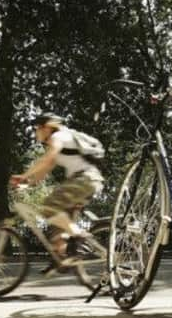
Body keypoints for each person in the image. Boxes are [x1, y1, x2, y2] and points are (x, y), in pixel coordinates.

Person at [10, 113, 104, 270]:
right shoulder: (61, 140)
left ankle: (81, 237)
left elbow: (47, 159)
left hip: (84, 179)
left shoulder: (59, 137)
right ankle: (60, 259)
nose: (35, 133)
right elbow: (44, 170)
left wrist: (23, 175)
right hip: (89, 181)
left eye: (36, 129)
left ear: (46, 127)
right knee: (58, 222)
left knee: (48, 208)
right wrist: (27, 184)